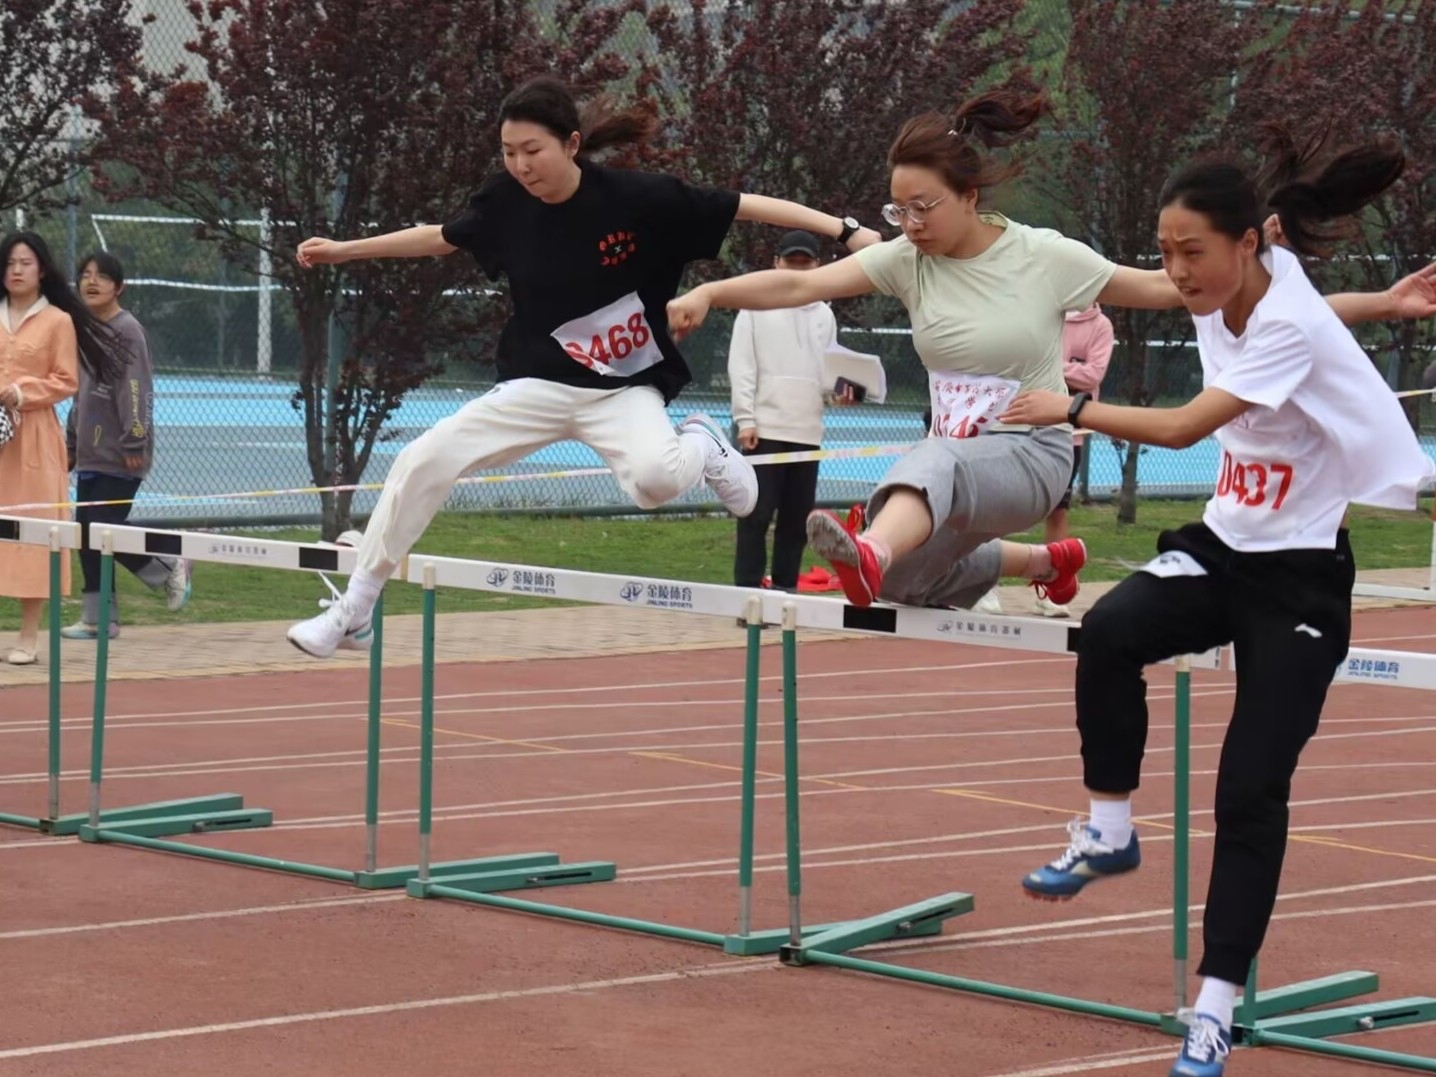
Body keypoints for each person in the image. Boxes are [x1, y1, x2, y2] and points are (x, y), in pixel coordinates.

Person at [1002, 127, 1436, 1077]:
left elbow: (1182, 427)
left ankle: (1214, 1007)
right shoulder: (1247, 279)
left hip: (1299, 578)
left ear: (1246, 243)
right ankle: (1109, 831)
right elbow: (1311, 304)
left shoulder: (1285, 324)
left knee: (1248, 791)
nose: (1176, 273)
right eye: (1165, 252)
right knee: (1108, 631)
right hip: (1220, 548)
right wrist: (1385, 300)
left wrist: (1069, 408)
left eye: (1190, 252)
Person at [667, 89, 1432, 620]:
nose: (912, 224)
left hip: (1031, 451)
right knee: (906, 583)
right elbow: (799, 286)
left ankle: (869, 547)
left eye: (925, 207)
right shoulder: (905, 260)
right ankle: (1043, 561)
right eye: (900, 211)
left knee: (932, 471)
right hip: (955, 466)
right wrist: (713, 292)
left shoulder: (1043, 256)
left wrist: (1377, 302)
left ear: (970, 196)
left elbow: (1181, 291)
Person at [286, 75, 881, 657]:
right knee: (424, 459)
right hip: (538, 385)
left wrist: (845, 229)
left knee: (654, 483)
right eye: (509, 152)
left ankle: (702, 445)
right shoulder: (504, 202)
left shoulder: (638, 199)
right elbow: (441, 237)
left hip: (623, 389)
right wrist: (346, 250)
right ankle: (356, 610)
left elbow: (746, 206)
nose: (521, 166)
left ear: (571, 144)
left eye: (532, 151)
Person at [0, 232, 124, 664]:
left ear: (42, 270)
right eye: (10, 262)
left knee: (34, 532)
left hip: (33, 438)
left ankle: (28, 637)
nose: (16, 270)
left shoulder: (57, 321)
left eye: (25, 263)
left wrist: (23, 392)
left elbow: (66, 380)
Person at [63, 251, 191, 640]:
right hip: (91, 452)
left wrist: (134, 439)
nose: (91, 282)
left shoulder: (127, 330)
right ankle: (98, 619)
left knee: (102, 527)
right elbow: (80, 394)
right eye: (85, 275)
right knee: (87, 534)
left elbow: (136, 388)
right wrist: (72, 442)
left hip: (121, 453)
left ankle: (168, 562)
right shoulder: (85, 330)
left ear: (119, 287)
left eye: (102, 276)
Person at [729, 229, 853, 599]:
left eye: (805, 263)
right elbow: (742, 366)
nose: (798, 269)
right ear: (776, 263)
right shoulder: (753, 307)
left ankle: (785, 592)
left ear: (818, 267)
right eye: (791, 262)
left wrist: (841, 394)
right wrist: (745, 419)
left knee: (796, 519)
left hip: (807, 431)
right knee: (755, 513)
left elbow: (828, 373)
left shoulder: (824, 314)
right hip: (764, 429)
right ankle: (748, 595)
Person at [1034, 299, 1114, 618]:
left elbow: (1092, 375)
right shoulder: (1041, 310)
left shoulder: (1101, 326)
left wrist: (1051, 366)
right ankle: (985, 588)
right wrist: (1066, 367)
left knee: (1058, 512)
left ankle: (1050, 590)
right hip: (1024, 427)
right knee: (998, 508)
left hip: (1069, 434)